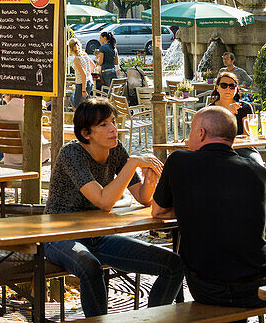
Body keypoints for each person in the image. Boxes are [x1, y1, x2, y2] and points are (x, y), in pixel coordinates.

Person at [44, 98, 183, 317]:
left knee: (173, 264)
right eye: (104, 125)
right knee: (90, 266)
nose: (113, 129)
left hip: (97, 235)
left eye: (113, 121)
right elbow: (104, 201)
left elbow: (143, 198)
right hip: (59, 235)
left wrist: (149, 178)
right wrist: (133, 163)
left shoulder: (116, 150)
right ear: (86, 133)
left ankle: (153, 321)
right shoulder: (71, 154)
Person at [152, 106, 266, 307]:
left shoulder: (179, 161)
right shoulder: (260, 172)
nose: (188, 137)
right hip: (258, 285)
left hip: (207, 286)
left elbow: (157, 211)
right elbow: (258, 208)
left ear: (201, 133)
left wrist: (189, 203)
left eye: (190, 130)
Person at [207, 70, 262, 166]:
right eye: (224, 85)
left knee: (258, 165)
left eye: (232, 86)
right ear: (217, 87)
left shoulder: (244, 107)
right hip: (220, 149)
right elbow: (211, 135)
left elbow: (248, 135)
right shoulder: (211, 109)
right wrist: (227, 113)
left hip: (244, 148)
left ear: (236, 88)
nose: (228, 89)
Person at [0, 94, 47, 168]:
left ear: (9, 96)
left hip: (10, 158)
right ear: (24, 97)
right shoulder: (32, 110)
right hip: (33, 157)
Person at [69, 38, 95, 107]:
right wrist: (88, 73)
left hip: (81, 84)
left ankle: (78, 117)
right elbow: (93, 65)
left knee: (77, 106)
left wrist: (83, 90)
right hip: (89, 81)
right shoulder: (84, 54)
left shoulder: (76, 59)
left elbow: (83, 75)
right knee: (84, 105)